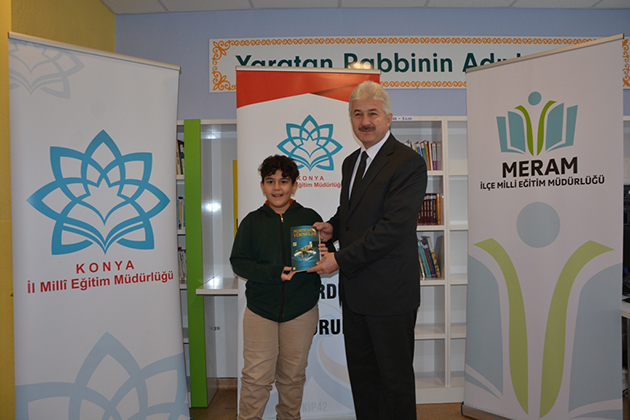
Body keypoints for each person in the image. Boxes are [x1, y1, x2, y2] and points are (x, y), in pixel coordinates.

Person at [308, 81, 427, 420]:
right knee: (363, 379)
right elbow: (352, 212)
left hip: (391, 294)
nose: (365, 122)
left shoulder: (408, 162)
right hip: (356, 294)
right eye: (357, 114)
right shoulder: (351, 161)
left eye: (373, 113)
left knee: (394, 382)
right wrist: (332, 228)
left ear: (388, 118)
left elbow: (393, 228)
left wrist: (339, 259)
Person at [230, 154, 329, 420]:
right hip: (261, 310)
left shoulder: (310, 218)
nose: (277, 188)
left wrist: (324, 254)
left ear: (294, 185)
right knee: (255, 378)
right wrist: (275, 273)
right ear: (262, 186)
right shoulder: (252, 221)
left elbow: (326, 258)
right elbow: (239, 263)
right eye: (270, 181)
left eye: (283, 181)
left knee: (293, 377)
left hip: (301, 310)